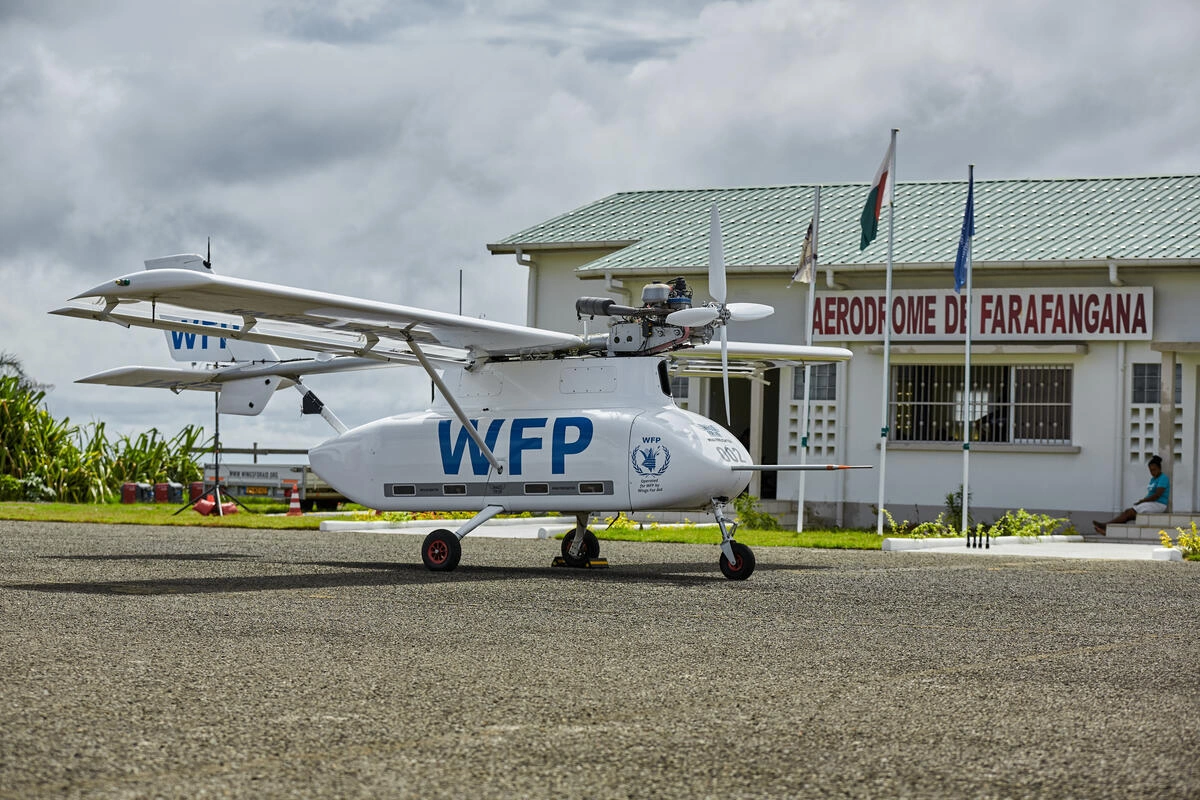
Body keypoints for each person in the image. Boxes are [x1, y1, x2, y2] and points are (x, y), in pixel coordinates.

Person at [1093, 455, 1170, 535]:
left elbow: (1157, 495)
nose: (1152, 472)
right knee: (1127, 512)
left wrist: (1143, 501)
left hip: (1159, 504)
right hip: (1151, 503)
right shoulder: (1153, 479)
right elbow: (1150, 494)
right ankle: (1109, 530)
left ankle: (1106, 526)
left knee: (1129, 513)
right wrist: (1142, 501)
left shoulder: (1163, 478)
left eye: (1154, 470)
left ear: (1159, 468)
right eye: (1150, 470)